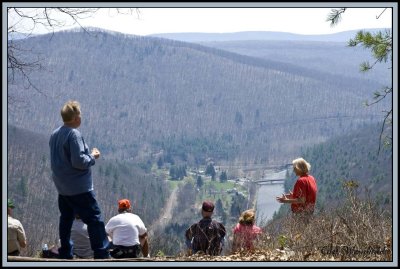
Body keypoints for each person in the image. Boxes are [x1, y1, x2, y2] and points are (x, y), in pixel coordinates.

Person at [49, 100, 110, 259]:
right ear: (76, 118)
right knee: (95, 219)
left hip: (62, 187)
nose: (81, 118)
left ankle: (66, 252)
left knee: (66, 220)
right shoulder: (73, 134)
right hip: (79, 187)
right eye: (80, 115)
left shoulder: (55, 134)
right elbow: (79, 162)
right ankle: (101, 253)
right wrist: (93, 157)